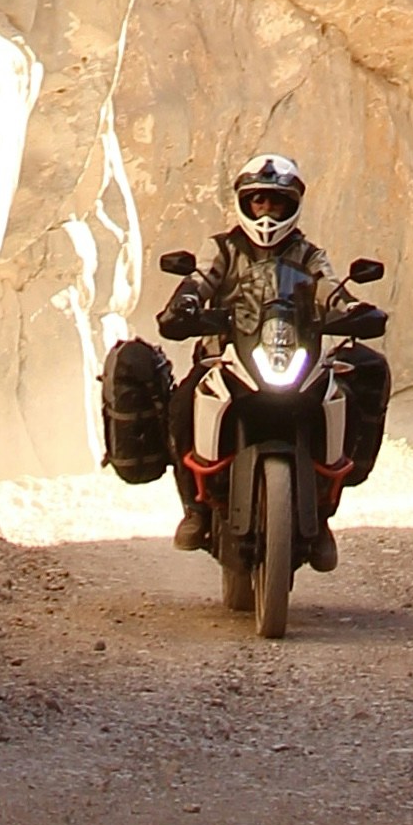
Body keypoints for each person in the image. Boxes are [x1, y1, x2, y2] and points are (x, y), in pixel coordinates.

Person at [156, 150, 338, 545]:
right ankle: (195, 509)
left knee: (339, 395)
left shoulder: (308, 254)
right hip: (224, 358)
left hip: (294, 356)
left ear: (292, 205)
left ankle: (322, 512)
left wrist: (350, 306)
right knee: (181, 405)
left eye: (276, 200)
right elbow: (201, 279)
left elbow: (328, 286)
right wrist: (185, 301)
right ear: (244, 202)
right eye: (259, 199)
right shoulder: (222, 248)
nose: (267, 209)